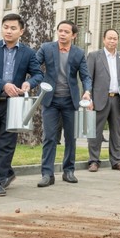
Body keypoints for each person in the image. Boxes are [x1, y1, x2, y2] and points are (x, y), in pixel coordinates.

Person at [0, 13, 43, 196]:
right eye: (6, 27)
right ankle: (7, 171)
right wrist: (3, 84)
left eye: (13, 28)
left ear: (21, 31)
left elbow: (38, 74)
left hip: (14, 104)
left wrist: (30, 83)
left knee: (6, 142)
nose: (8, 31)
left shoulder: (28, 53)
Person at [35, 20, 92, 188]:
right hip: (50, 101)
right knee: (49, 137)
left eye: (66, 32)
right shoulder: (46, 48)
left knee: (70, 138)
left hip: (70, 100)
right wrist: (34, 81)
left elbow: (86, 76)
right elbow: (34, 65)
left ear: (73, 35)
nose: (62, 34)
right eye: (60, 31)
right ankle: (47, 174)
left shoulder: (79, 53)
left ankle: (69, 171)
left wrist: (87, 91)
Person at [86, 29, 120, 172]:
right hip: (99, 99)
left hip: (118, 100)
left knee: (116, 132)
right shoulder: (94, 56)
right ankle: (93, 161)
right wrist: (89, 99)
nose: (112, 41)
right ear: (104, 39)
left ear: (118, 40)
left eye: (115, 38)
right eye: (109, 38)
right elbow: (88, 79)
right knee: (95, 132)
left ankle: (117, 161)